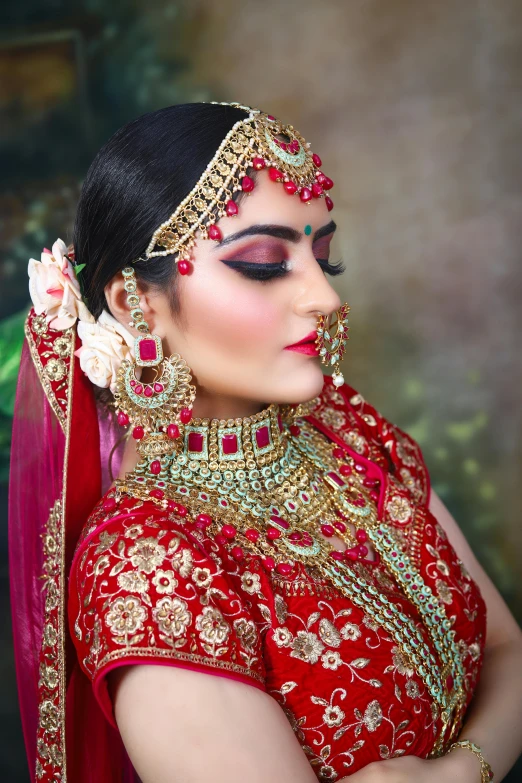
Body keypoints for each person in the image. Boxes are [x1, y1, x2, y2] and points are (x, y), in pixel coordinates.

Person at [9, 101, 522, 783]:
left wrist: (461, 770)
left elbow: (510, 650)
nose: (325, 298)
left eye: (323, 258)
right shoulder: (147, 565)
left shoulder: (345, 428)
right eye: (261, 262)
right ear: (137, 304)